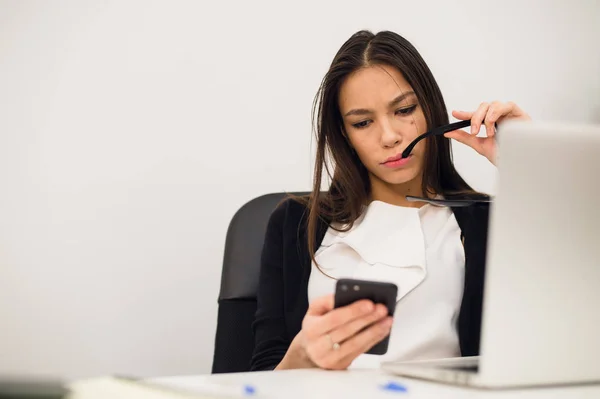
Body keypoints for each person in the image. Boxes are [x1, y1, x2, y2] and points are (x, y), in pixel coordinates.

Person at [250, 30, 530, 371]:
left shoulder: (490, 223)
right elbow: (262, 374)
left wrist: (533, 163)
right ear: (344, 134)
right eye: (363, 122)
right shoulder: (294, 222)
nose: (389, 136)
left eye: (405, 109)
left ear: (430, 108)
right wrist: (303, 358)